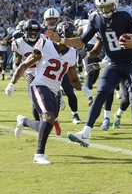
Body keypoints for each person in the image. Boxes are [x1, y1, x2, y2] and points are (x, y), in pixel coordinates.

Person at [45, 0, 132, 147]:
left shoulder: (124, 17)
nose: (105, 11)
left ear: (114, 4)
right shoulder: (96, 18)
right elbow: (81, 41)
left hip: (131, 63)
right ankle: (86, 133)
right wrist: (60, 40)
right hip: (113, 64)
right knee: (100, 93)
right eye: (102, 8)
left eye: (107, 7)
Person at [4, 21, 89, 164]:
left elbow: (73, 79)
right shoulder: (45, 44)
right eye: (68, 35)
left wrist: (84, 88)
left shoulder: (73, 53)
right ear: (60, 35)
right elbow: (25, 64)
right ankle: (38, 155)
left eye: (72, 35)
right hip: (39, 85)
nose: (71, 38)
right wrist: (12, 82)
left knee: (46, 125)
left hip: (54, 91)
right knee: (49, 118)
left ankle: (23, 121)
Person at [11, 19, 44, 122]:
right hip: (30, 74)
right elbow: (16, 64)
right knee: (35, 102)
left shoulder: (44, 40)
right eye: (30, 30)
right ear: (25, 30)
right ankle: (40, 125)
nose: (33, 33)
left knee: (49, 101)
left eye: (35, 30)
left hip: (44, 73)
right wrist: (24, 74)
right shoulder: (19, 43)